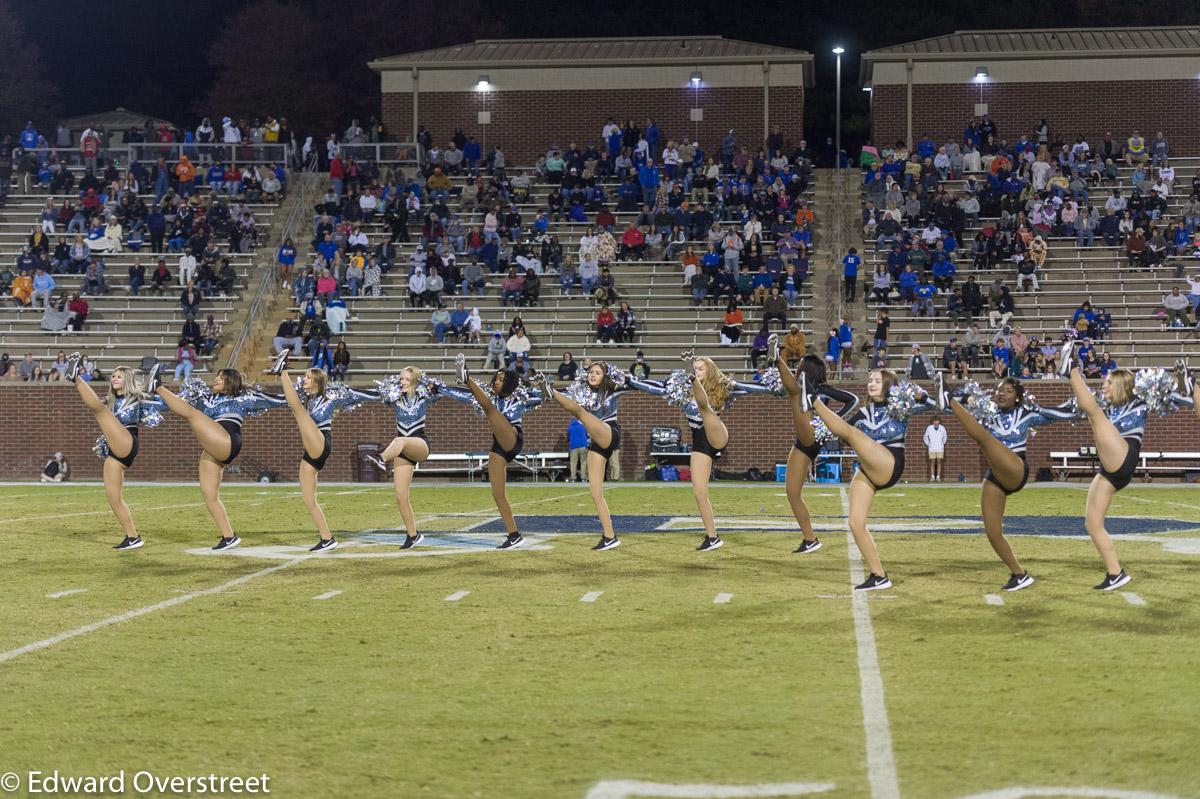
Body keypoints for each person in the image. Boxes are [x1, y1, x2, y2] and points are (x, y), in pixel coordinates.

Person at [628, 352, 783, 550]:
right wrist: (629, 381)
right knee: (699, 492)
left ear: (708, 372)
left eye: (700, 369)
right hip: (700, 442)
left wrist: (777, 388)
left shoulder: (722, 387)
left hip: (717, 434)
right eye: (695, 369)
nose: (698, 371)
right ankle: (712, 537)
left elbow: (751, 389)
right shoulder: (683, 391)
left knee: (705, 408)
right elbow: (656, 389)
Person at [939, 373, 1077, 589]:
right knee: (993, 533)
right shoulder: (987, 412)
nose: (1001, 393)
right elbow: (941, 407)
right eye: (1000, 389)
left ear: (1018, 397)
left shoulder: (1026, 413)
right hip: (995, 475)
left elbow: (1060, 413)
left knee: (984, 439)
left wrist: (1081, 401)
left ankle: (949, 397)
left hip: (1016, 468)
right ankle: (1019, 574)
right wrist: (925, 399)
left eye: (1008, 391)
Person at [811, 369, 935, 589]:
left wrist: (921, 396)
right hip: (868, 468)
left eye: (878, 381)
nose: (872, 384)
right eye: (870, 380)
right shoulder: (864, 413)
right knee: (855, 523)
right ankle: (879, 576)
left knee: (852, 433)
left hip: (890, 463)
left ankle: (812, 400)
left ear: (888, 385)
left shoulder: (900, 407)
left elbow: (937, 406)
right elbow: (841, 433)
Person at [146, 362, 287, 550]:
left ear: (231, 380)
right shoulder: (205, 399)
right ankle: (229, 537)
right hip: (213, 446)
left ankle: (157, 385)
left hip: (228, 440)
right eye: (217, 376)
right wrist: (141, 403)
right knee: (209, 495)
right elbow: (172, 404)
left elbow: (280, 399)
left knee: (193, 415)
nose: (216, 379)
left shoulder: (244, 397)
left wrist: (305, 394)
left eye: (221, 376)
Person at [272, 353, 375, 551]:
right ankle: (327, 539)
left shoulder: (331, 398)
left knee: (298, 412)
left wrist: (387, 394)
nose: (304, 379)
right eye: (304, 376)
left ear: (317, 381)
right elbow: (286, 399)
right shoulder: (308, 399)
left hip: (322, 442)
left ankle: (282, 371)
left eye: (308, 377)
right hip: (310, 453)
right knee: (308, 499)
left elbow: (360, 395)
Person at [533, 363, 634, 550]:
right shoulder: (581, 391)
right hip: (596, 441)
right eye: (590, 372)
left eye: (597, 373)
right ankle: (610, 537)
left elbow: (638, 384)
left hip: (610, 432)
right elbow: (567, 395)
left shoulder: (613, 389)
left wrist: (629, 380)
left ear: (605, 376)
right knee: (595, 492)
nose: (593, 375)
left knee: (579, 412)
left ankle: (551, 392)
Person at [447, 356, 545, 548]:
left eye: (501, 380)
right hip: (498, 445)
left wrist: (544, 388)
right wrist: (435, 387)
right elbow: (460, 395)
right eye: (495, 380)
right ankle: (514, 535)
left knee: (490, 410)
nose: (496, 383)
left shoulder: (521, 397)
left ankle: (467, 377)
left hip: (513, 437)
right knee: (497, 493)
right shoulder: (490, 397)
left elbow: (546, 396)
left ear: (510, 382)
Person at [774, 346, 859, 553]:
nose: (797, 367)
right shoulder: (799, 387)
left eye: (801, 365)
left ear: (808, 369)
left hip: (814, 436)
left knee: (794, 391)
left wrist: (833, 419)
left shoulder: (820, 390)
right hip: (802, 444)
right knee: (792, 493)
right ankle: (810, 540)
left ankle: (776, 358)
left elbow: (853, 399)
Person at [362, 367, 454, 548]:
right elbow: (369, 395)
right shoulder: (395, 397)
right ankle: (413, 535)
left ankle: (381, 459)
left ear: (415, 381)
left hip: (419, 444)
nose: (402, 382)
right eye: (401, 379)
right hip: (401, 451)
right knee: (401, 495)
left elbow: (449, 392)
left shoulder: (424, 396)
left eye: (406, 379)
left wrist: (466, 384)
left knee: (399, 440)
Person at [923, 416, 947, 481]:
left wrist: (941, 444)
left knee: (939, 461)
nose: (935, 422)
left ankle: (938, 476)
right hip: (931, 448)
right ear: (933, 422)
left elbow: (945, 437)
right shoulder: (929, 428)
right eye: (934, 421)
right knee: (932, 462)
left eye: (937, 421)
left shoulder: (942, 428)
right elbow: (925, 437)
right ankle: (932, 476)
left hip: (940, 448)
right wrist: (929, 444)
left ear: (939, 421)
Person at [567, 417, 589, 482]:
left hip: (573, 446)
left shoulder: (570, 428)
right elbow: (586, 435)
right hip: (583, 445)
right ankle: (583, 478)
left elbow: (568, 438)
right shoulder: (583, 426)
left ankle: (573, 478)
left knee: (573, 462)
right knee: (583, 462)